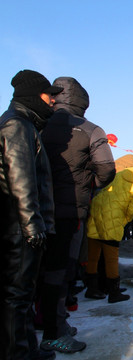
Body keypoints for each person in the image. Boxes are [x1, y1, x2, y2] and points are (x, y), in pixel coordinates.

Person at [40, 76, 116, 353]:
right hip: (69, 209)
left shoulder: (37, 123)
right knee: (61, 271)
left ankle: (46, 321)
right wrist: (87, 184)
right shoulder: (90, 129)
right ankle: (54, 331)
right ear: (83, 101)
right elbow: (107, 169)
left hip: (33, 210)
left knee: (37, 270)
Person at [0, 70, 61, 359]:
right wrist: (32, 225)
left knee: (23, 295)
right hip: (19, 226)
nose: (52, 102)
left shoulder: (22, 124)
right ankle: (17, 353)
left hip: (19, 224)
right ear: (34, 95)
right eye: (49, 96)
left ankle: (26, 348)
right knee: (17, 296)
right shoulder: (17, 125)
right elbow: (20, 178)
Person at [85, 159, 133, 303]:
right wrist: (122, 221)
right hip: (112, 216)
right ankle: (114, 292)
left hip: (97, 208)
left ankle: (92, 289)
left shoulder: (125, 173)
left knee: (93, 254)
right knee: (111, 257)